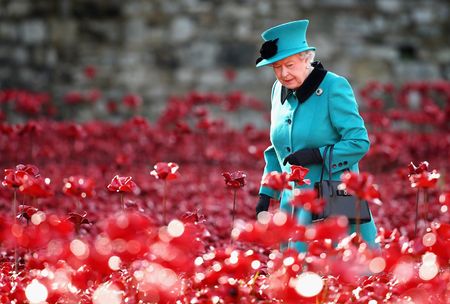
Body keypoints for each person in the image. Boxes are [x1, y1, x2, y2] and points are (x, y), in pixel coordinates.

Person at [254, 20, 378, 252]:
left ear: (305, 58)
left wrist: (317, 155)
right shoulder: (277, 90)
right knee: (293, 276)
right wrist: (266, 191)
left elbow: (359, 142)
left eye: (289, 64)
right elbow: (277, 149)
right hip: (291, 204)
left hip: (331, 200)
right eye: (276, 67)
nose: (283, 73)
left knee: (336, 273)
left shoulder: (334, 87)